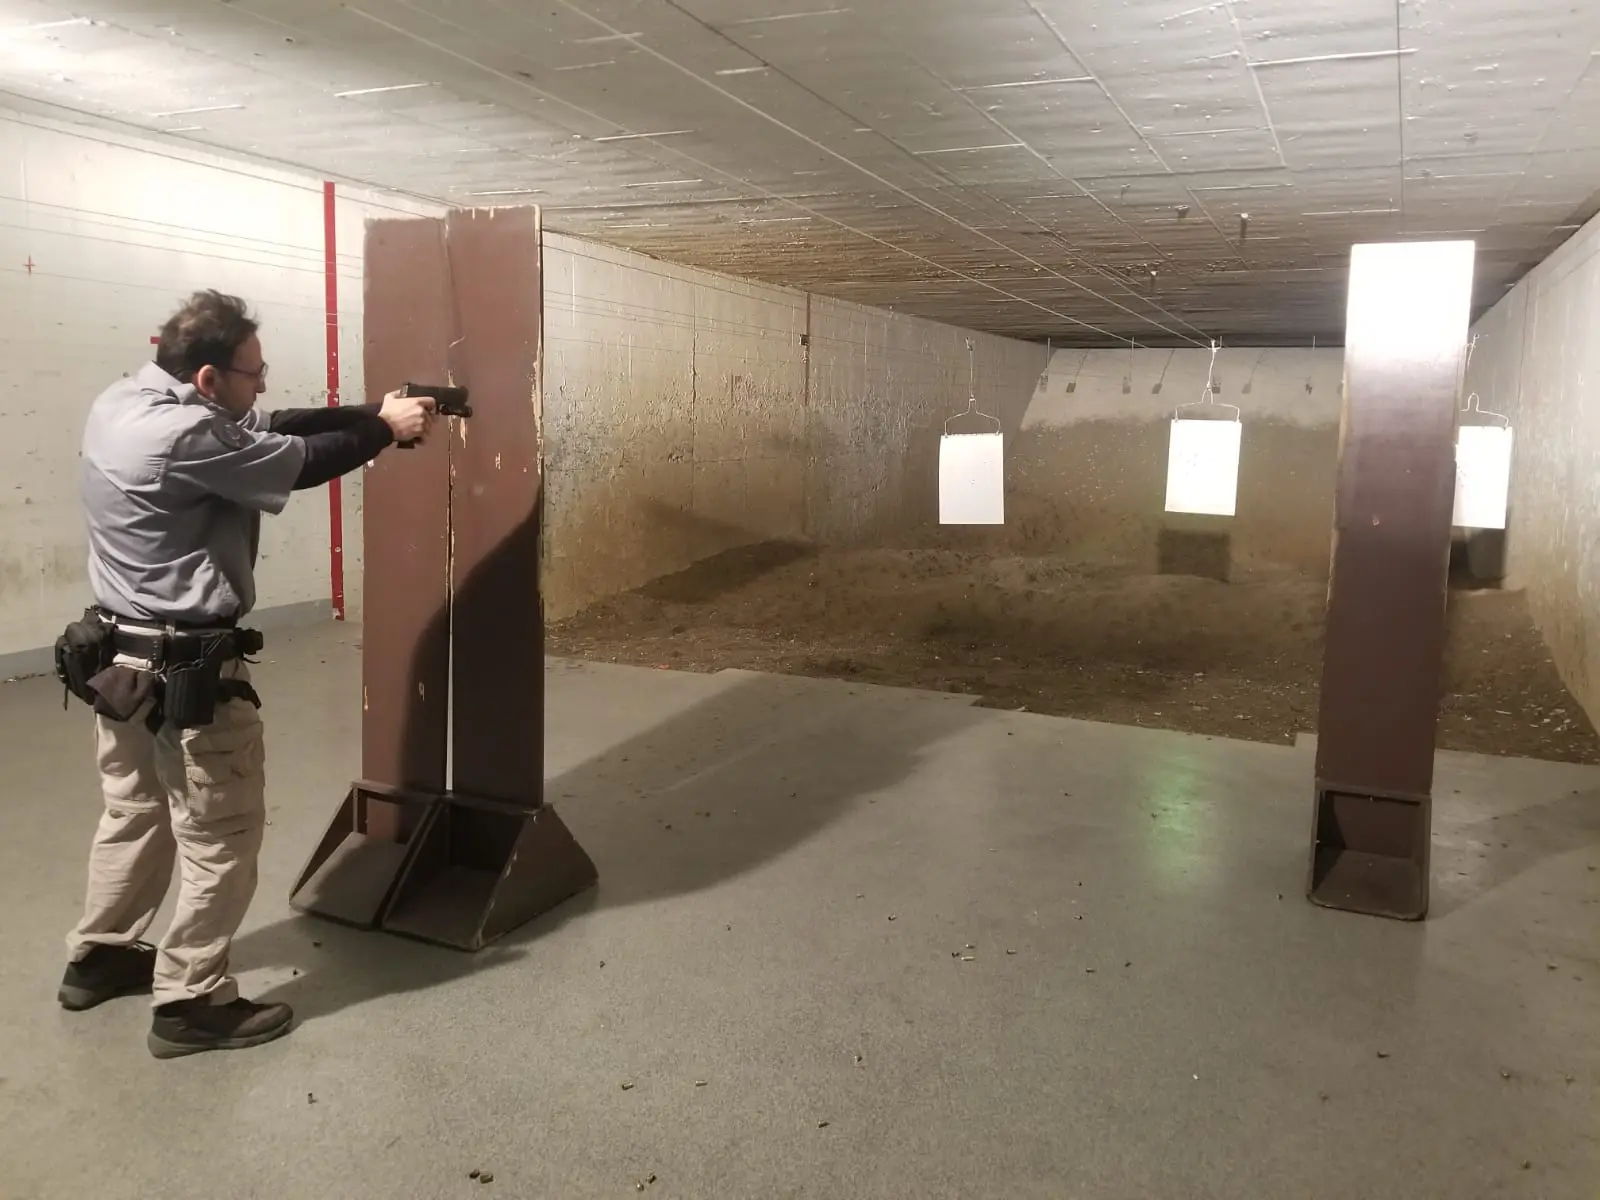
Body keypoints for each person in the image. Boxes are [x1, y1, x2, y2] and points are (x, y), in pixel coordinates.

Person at [54, 289, 436, 1059]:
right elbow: (298, 462)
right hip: (186, 674)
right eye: (252, 373)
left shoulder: (123, 401)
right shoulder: (187, 437)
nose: (262, 385)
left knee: (134, 813)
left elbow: (272, 423)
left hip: (120, 664)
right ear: (205, 379)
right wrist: (384, 433)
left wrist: (371, 410)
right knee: (220, 833)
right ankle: (191, 1000)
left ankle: (99, 956)